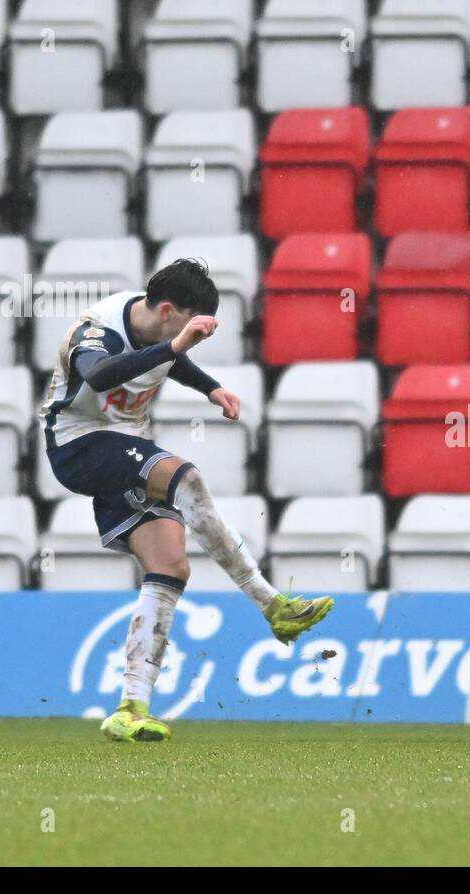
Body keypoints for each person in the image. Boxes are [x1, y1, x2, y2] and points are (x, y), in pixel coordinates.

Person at [39, 258, 334, 743]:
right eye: (187, 328)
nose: (188, 340)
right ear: (168, 312)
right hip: (79, 445)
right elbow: (101, 376)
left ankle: (130, 709)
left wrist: (211, 387)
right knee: (188, 480)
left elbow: (168, 359)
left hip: (124, 442)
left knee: (171, 566)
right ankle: (271, 604)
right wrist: (176, 346)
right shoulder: (98, 332)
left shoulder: (161, 332)